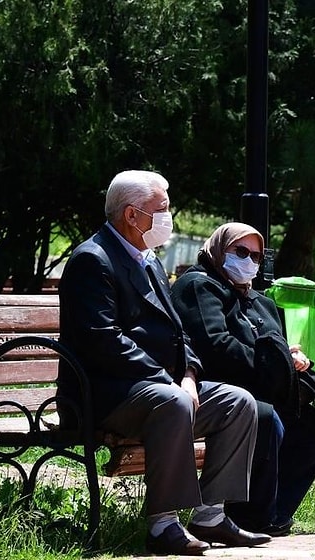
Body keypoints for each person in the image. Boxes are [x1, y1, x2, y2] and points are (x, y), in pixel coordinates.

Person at [57, 171, 270, 555]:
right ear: (132, 216)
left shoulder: (149, 260)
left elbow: (179, 332)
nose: (168, 217)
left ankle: (210, 517)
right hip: (105, 394)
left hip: (159, 389)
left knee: (238, 402)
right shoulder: (93, 259)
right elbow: (102, 340)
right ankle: (162, 526)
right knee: (174, 402)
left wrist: (188, 374)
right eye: (162, 209)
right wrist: (167, 381)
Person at [171, 223, 315, 536]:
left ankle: (275, 512)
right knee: (264, 415)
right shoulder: (200, 286)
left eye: (256, 255)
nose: (250, 261)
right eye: (241, 252)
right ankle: (247, 516)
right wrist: (275, 359)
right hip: (221, 385)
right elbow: (215, 345)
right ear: (218, 249)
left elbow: (276, 345)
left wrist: (291, 358)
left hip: (267, 385)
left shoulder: (262, 301)